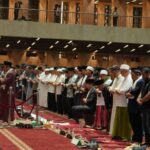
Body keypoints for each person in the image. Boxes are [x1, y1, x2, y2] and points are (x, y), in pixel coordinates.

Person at [112, 64, 133, 140]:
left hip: (124, 102)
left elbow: (124, 90)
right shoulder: (125, 78)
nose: (121, 73)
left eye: (122, 71)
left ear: (126, 71)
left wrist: (118, 91)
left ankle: (126, 136)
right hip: (120, 102)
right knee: (120, 119)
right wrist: (118, 90)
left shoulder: (129, 79)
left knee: (124, 120)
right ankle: (120, 134)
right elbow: (118, 89)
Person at [126, 69, 144, 144]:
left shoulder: (140, 81)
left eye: (132, 75)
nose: (132, 77)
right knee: (133, 122)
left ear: (137, 74)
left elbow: (135, 92)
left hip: (136, 106)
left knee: (137, 123)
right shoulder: (136, 81)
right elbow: (131, 91)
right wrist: (129, 93)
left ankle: (138, 139)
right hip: (132, 105)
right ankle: (135, 138)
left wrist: (129, 93)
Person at [137, 67, 150, 149]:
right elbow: (142, 92)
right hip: (144, 107)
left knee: (148, 125)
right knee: (145, 125)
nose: (142, 76)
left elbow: (149, 94)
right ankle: (147, 141)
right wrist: (139, 99)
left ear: (148, 73)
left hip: (149, 107)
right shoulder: (145, 81)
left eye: (143, 75)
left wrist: (142, 100)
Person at [109, 65, 124, 134]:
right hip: (115, 100)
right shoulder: (115, 78)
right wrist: (112, 89)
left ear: (116, 71)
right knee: (114, 115)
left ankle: (118, 132)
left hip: (121, 101)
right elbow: (111, 88)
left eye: (112, 72)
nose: (112, 73)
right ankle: (113, 131)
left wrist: (113, 90)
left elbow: (118, 89)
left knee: (119, 117)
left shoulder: (122, 78)